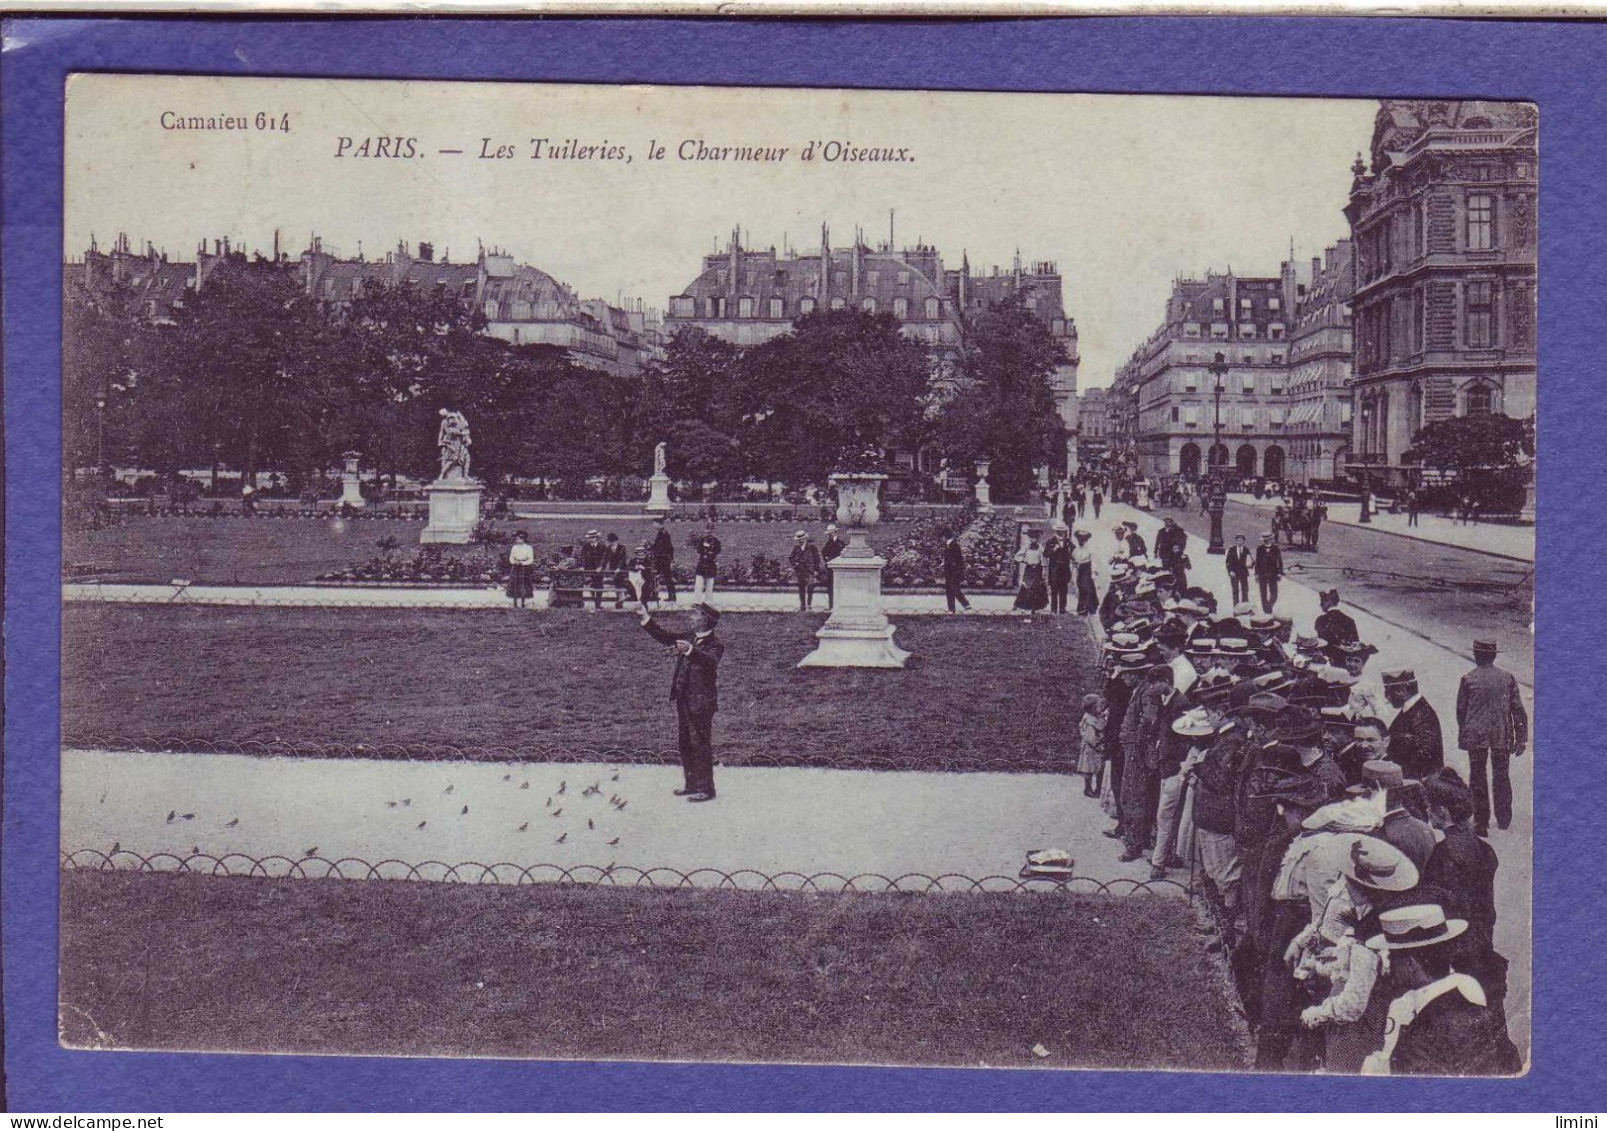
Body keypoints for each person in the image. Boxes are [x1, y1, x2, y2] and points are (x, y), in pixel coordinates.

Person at [1360, 904, 1521, 1076]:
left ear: (1410, 963)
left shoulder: (1457, 1004)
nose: (1387, 965)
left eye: (1391, 957)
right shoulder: (1410, 1001)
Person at [637, 602, 724, 803]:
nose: (690, 616)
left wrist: (690, 650)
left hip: (702, 702)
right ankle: (691, 785)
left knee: (700, 743)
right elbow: (665, 637)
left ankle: (706, 789)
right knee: (685, 743)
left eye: (695, 614)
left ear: (705, 619)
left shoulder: (716, 644)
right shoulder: (690, 636)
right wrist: (644, 616)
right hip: (684, 699)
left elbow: (710, 661)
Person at [1456, 639, 1528, 836]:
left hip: (1476, 734)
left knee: (1477, 775)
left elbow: (1461, 710)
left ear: (1476, 655)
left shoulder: (1468, 679)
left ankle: (1481, 822)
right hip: (1501, 733)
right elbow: (1518, 710)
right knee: (1501, 775)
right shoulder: (1508, 678)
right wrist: (1521, 738)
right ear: (1494, 655)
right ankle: (1504, 818)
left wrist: (1464, 734)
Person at [1384, 669, 1445, 781]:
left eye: (1389, 692)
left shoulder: (1422, 714)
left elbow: (1424, 755)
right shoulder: (1412, 709)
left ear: (1402, 690)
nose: (1387, 697)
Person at [1078, 693, 1108, 797]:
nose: (1102, 708)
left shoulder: (1097, 717)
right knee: (1089, 769)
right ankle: (1088, 788)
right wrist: (1098, 743)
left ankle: (1098, 788)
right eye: (1099, 706)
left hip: (1097, 749)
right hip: (1091, 749)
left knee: (1100, 769)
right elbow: (1090, 737)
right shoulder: (1089, 720)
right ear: (1092, 708)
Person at [789, 530, 824, 612]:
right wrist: (796, 565)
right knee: (801, 588)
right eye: (799, 539)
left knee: (810, 587)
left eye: (802, 539)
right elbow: (791, 558)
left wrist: (816, 570)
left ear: (805, 539)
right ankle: (803, 606)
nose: (800, 541)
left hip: (810, 571)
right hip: (800, 571)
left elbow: (817, 559)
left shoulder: (812, 548)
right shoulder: (796, 548)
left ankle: (809, 605)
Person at [1013, 531, 1049, 612]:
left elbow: (1043, 560)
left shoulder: (1040, 548)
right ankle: (1018, 604)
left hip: (1037, 569)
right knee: (1025, 585)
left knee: (1036, 586)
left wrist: (1043, 570)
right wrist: (1025, 560)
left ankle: (1035, 606)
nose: (1033, 540)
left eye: (1034, 538)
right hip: (1029, 569)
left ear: (1037, 539)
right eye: (1031, 538)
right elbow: (1017, 557)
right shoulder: (1026, 547)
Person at [1044, 523, 1073, 614]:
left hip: (1064, 570)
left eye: (1063, 532)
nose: (1061, 533)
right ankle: (1053, 609)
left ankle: (1062, 609)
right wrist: (1053, 550)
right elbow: (1046, 554)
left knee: (1064, 590)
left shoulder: (1068, 542)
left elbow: (1074, 553)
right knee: (1054, 591)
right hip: (1054, 570)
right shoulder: (1051, 541)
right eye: (1059, 532)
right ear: (1056, 532)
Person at [1156, 516, 1189, 593]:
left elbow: (1183, 537)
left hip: (1173, 554)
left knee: (1178, 572)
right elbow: (1157, 541)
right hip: (1164, 553)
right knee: (1166, 569)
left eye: (1169, 521)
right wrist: (1155, 551)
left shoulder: (1176, 530)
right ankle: (1168, 586)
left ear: (1172, 522)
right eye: (1166, 522)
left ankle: (1180, 588)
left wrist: (1178, 550)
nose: (1167, 523)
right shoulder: (1161, 531)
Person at [1254, 531, 1284, 614]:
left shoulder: (1276, 548)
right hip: (1262, 573)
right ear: (1265, 540)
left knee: (1274, 593)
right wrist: (1256, 573)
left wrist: (1280, 572)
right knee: (1263, 593)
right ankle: (1266, 610)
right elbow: (1257, 562)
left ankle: (1268, 607)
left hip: (1273, 574)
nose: (1271, 540)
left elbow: (1280, 561)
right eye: (1269, 539)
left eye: (1271, 539)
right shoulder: (1259, 549)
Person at [941, 528, 971, 612]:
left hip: (954, 571)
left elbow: (957, 559)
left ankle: (965, 604)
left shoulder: (953, 545)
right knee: (950, 589)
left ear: (945, 536)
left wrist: (954, 568)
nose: (941, 539)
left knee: (953, 588)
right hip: (951, 570)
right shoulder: (950, 545)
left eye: (942, 537)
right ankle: (952, 609)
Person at [579, 529, 608, 611]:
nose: (591, 539)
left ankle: (598, 605)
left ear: (597, 538)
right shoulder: (586, 546)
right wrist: (582, 566)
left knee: (599, 586)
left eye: (593, 537)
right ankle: (593, 599)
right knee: (591, 585)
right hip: (589, 569)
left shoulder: (602, 546)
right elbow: (583, 557)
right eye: (590, 538)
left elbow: (604, 558)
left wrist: (601, 567)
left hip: (599, 569)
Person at [691, 521, 721, 600]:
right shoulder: (702, 540)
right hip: (702, 564)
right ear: (705, 530)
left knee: (709, 585)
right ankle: (697, 601)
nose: (709, 532)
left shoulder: (716, 541)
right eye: (708, 530)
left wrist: (711, 554)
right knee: (698, 584)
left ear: (714, 531)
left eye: (711, 531)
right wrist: (705, 553)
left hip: (711, 564)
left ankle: (708, 602)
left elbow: (718, 551)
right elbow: (699, 550)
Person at [506, 530, 535, 609]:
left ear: (523, 539)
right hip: (515, 567)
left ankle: (523, 603)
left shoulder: (528, 548)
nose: (516, 539)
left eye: (518, 538)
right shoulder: (514, 547)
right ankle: (515, 603)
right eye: (516, 538)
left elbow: (531, 559)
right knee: (514, 584)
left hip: (524, 568)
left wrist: (523, 563)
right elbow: (511, 557)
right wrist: (514, 562)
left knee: (523, 585)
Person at [650, 516, 677, 604]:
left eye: (654, 523)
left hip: (663, 558)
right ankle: (671, 596)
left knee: (662, 577)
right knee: (666, 577)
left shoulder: (663, 533)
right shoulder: (662, 533)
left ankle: (667, 596)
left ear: (659, 524)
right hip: (664, 558)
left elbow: (662, 546)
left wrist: (652, 548)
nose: (653, 525)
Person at [1073, 529, 1099, 615]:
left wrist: (1094, 572)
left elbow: (1094, 561)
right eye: (1080, 539)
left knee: (1086, 588)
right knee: (1081, 587)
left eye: (1083, 539)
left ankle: (1087, 607)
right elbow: (1074, 561)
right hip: (1079, 571)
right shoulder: (1076, 550)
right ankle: (1083, 607)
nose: (1081, 540)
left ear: (1086, 540)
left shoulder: (1090, 549)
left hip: (1087, 570)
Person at [821, 524, 845, 608]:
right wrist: (826, 559)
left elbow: (843, 555)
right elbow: (824, 552)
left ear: (835, 532)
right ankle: (831, 606)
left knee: (839, 587)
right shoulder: (828, 543)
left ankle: (839, 605)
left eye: (831, 533)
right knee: (830, 587)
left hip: (839, 568)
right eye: (829, 534)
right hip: (830, 569)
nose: (829, 535)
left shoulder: (841, 543)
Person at [1225, 534, 1252, 608]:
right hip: (1234, 573)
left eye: (1241, 540)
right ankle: (1236, 606)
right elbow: (1228, 562)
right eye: (1238, 540)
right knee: (1235, 590)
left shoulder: (1246, 549)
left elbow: (1250, 560)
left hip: (1243, 573)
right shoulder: (1232, 549)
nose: (1239, 542)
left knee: (1245, 589)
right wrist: (1230, 571)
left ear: (1243, 541)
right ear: (1236, 541)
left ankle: (1245, 606)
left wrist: (1251, 564)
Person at [603, 533, 628, 609]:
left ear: (616, 541)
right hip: (613, 569)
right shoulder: (608, 548)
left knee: (621, 585)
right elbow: (605, 558)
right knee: (616, 585)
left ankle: (621, 601)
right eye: (610, 542)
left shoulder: (622, 548)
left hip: (621, 570)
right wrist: (602, 566)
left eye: (613, 541)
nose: (612, 543)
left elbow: (622, 559)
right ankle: (619, 601)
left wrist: (619, 568)